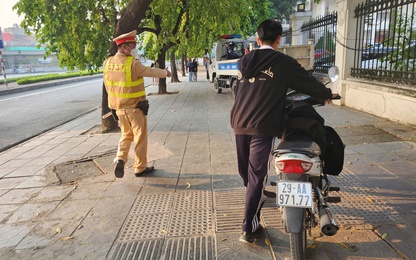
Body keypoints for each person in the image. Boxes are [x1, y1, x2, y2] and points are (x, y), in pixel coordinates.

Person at [230, 19, 339, 244]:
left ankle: (252, 215)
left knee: (248, 176)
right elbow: (307, 82)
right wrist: (327, 93)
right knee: (256, 178)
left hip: (239, 123)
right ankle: (249, 228)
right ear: (278, 39)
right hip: (263, 126)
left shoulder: (243, 61)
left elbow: (242, 89)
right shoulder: (282, 62)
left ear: (258, 39)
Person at [103, 30, 171, 178]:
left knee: (126, 135)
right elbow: (150, 71)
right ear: (124, 47)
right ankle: (140, 167)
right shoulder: (132, 63)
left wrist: (112, 107)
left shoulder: (107, 63)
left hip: (119, 109)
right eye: (132, 46)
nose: (134, 49)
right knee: (139, 137)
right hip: (135, 109)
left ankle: (120, 158)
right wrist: (165, 73)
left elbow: (109, 87)